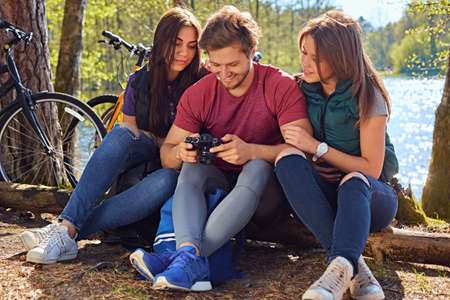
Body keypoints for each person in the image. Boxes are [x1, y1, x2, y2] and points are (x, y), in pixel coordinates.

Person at [129, 5, 311, 292]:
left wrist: (252, 150)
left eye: (233, 65)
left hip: (267, 196)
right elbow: (167, 155)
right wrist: (179, 153)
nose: (223, 74)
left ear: (252, 53)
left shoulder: (280, 86)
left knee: (256, 166)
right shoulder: (201, 92)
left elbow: (303, 152)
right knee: (192, 164)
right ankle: (188, 259)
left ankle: (179, 260)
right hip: (220, 188)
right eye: (215, 65)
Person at [21, 7, 206, 265]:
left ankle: (64, 231)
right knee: (120, 133)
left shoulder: (203, 81)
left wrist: (163, 142)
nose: (184, 53)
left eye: (191, 46)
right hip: (145, 155)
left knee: (165, 180)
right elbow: (130, 136)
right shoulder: (140, 80)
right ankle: (66, 229)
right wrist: (156, 140)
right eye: (176, 44)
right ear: (161, 41)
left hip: (179, 165)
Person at [274, 10, 399, 300]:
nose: (304, 62)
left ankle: (338, 269)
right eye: (302, 52)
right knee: (287, 159)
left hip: (368, 199)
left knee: (354, 179)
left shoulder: (369, 96)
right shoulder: (300, 89)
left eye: (313, 56)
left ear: (339, 56)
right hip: (323, 197)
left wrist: (319, 149)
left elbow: (372, 168)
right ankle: (351, 265)